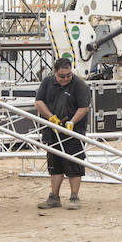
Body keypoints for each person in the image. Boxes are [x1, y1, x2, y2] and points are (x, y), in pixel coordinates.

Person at [35, 57, 91, 209]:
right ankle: (54, 197)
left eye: (68, 75)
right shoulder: (47, 82)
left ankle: (74, 197)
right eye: (62, 76)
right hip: (52, 130)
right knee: (54, 164)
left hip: (73, 132)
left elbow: (84, 107)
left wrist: (72, 122)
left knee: (74, 164)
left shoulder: (79, 85)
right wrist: (51, 118)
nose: (66, 79)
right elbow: (39, 102)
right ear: (55, 72)